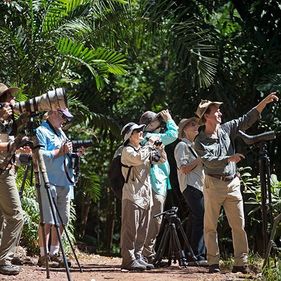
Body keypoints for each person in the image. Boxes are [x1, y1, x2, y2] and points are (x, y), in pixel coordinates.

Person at [194, 92, 279, 274]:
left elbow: (247, 119)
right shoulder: (200, 141)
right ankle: (213, 263)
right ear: (206, 116)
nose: (220, 114)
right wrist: (229, 159)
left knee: (239, 225)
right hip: (213, 184)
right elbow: (209, 161)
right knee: (210, 226)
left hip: (232, 183)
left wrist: (264, 101)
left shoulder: (226, 129)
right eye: (216, 112)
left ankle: (241, 263)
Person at [120, 122, 166, 271]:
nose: (141, 132)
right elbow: (139, 158)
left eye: (141, 130)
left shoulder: (143, 149)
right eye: (137, 131)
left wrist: (160, 148)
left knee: (142, 230)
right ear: (129, 136)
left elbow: (162, 160)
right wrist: (149, 145)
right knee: (130, 230)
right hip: (132, 196)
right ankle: (128, 260)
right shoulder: (127, 151)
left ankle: (138, 257)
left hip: (146, 196)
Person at [36, 108, 75, 268]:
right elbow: (40, 155)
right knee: (47, 219)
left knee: (62, 220)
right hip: (48, 180)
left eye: (65, 118)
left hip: (65, 181)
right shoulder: (41, 131)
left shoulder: (61, 132)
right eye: (62, 116)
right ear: (52, 113)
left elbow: (65, 152)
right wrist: (60, 151)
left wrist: (75, 153)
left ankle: (54, 253)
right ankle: (43, 255)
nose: (64, 120)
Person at [139, 110, 178, 263]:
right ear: (148, 125)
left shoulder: (149, 136)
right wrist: (169, 119)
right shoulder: (149, 136)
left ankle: (147, 252)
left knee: (155, 219)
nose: (159, 122)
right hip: (154, 184)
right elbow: (173, 135)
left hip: (159, 183)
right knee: (154, 219)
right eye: (156, 121)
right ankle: (146, 253)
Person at [0, 83, 26, 275]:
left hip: (6, 170)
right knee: (16, 216)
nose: (13, 101)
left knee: (2, 218)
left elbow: (9, 145)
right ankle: (4, 260)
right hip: (2, 173)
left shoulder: (8, 123)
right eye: (9, 98)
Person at [174, 117, 206, 265]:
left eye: (196, 124)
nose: (196, 127)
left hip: (199, 186)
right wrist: (199, 160)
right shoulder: (182, 146)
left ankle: (190, 254)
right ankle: (197, 255)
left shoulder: (194, 145)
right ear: (184, 130)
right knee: (200, 217)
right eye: (192, 125)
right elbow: (184, 169)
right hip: (190, 186)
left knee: (195, 219)